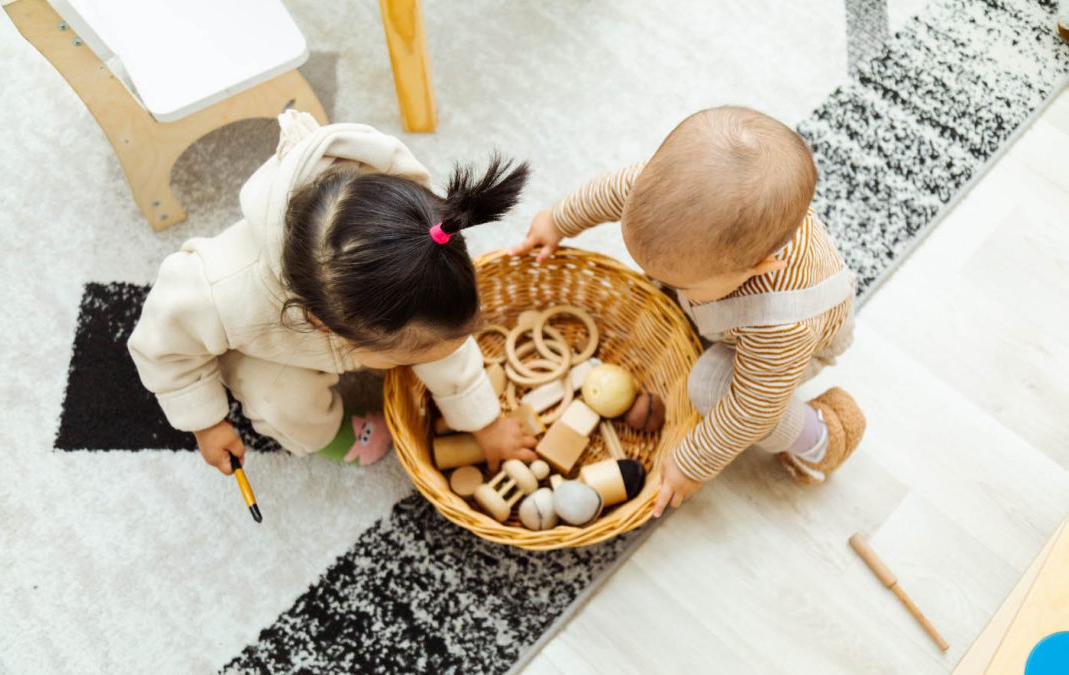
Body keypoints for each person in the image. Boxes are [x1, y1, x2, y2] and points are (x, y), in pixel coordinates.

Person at [129, 111, 538, 476]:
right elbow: (162, 347)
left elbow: (446, 348)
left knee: (433, 339)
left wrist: (484, 422)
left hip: (351, 313)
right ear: (323, 325)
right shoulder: (218, 294)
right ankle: (335, 435)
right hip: (262, 344)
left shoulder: (418, 251)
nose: (420, 362)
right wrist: (206, 422)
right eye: (403, 358)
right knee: (281, 401)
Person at [513, 106, 866, 517]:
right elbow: (610, 193)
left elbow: (751, 410)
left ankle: (819, 437)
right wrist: (558, 221)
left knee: (710, 388)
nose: (660, 281)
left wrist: (692, 463)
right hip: (731, 312)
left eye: (684, 284)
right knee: (667, 294)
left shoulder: (780, 324)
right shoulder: (668, 196)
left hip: (798, 347)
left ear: (757, 267)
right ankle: (699, 309)